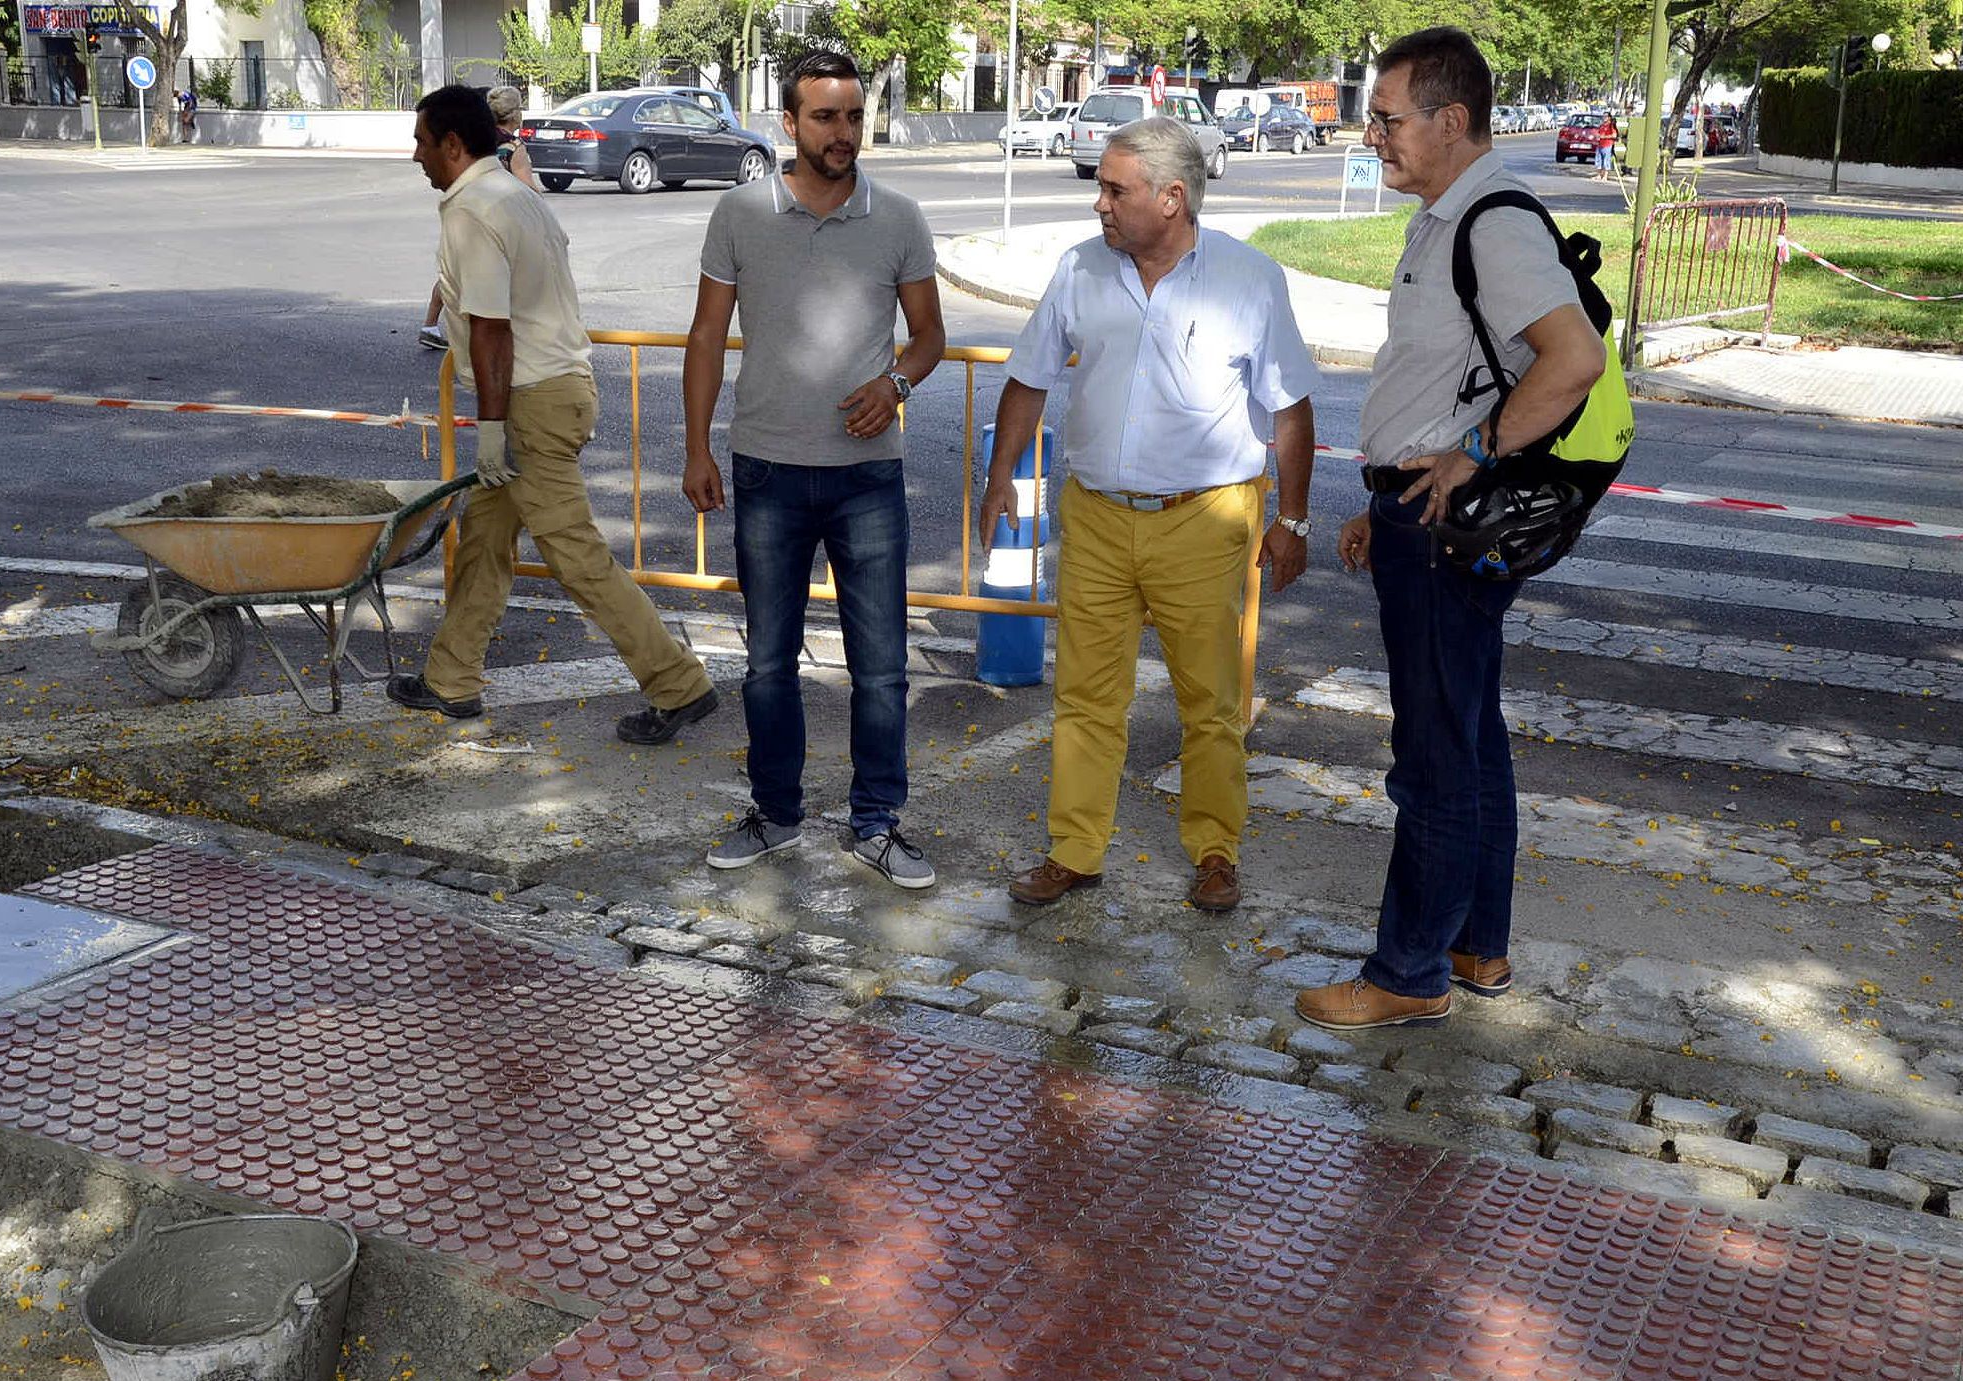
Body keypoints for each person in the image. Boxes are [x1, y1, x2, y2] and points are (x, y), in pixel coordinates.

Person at [1294, 28, 1607, 1031]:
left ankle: (1408, 971)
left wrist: (1470, 452)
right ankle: (1477, 946)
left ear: (1451, 120)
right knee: (1469, 739)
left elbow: (1574, 360)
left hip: (1445, 527)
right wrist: (1384, 496)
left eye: (1386, 117)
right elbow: (1444, 378)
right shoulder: (1446, 218)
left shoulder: (1490, 224)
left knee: (1434, 754)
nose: (1371, 134)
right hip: (1420, 515)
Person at [985, 116, 1320, 915]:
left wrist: (1294, 519)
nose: (1098, 203)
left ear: (1172, 198)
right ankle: (1074, 851)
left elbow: (1291, 408)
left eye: (1114, 190)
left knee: (1210, 702)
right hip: (1097, 517)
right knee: (1086, 696)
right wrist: (999, 476)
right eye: (1101, 188)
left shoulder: (1248, 278)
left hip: (1204, 520)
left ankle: (1215, 852)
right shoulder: (1080, 268)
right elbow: (1030, 376)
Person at [680, 51, 946, 890]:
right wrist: (696, 446)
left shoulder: (898, 216)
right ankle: (776, 814)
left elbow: (930, 336)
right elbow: (704, 336)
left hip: (868, 477)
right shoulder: (740, 212)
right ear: (789, 124)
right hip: (767, 471)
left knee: (882, 667)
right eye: (826, 117)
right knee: (768, 663)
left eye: (854, 116)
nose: (843, 133)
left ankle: (877, 822)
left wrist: (895, 384)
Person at [390, 84, 720, 745]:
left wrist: (492, 431)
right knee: (485, 543)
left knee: (576, 556)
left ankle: (678, 684)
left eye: (422, 142)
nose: (416, 155)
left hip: (528, 403)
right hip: (551, 388)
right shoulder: (515, 195)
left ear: (452, 145)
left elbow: (491, 329)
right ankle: (451, 678)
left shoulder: (475, 210)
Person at [420, 85, 537, 351]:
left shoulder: (480, 139)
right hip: (504, 219)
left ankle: (430, 323)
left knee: (456, 272)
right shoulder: (513, 147)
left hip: (469, 209)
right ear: (515, 114)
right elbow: (527, 190)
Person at [1594, 112, 1618, 178]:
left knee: (1606, 160)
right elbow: (1599, 133)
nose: (1604, 117)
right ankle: (1599, 175)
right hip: (1600, 145)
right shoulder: (1602, 125)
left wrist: (1604, 137)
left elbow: (1614, 135)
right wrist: (1597, 136)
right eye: (1603, 116)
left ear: (1609, 117)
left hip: (1607, 145)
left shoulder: (1611, 126)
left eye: (1606, 116)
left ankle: (1605, 176)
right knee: (1599, 160)